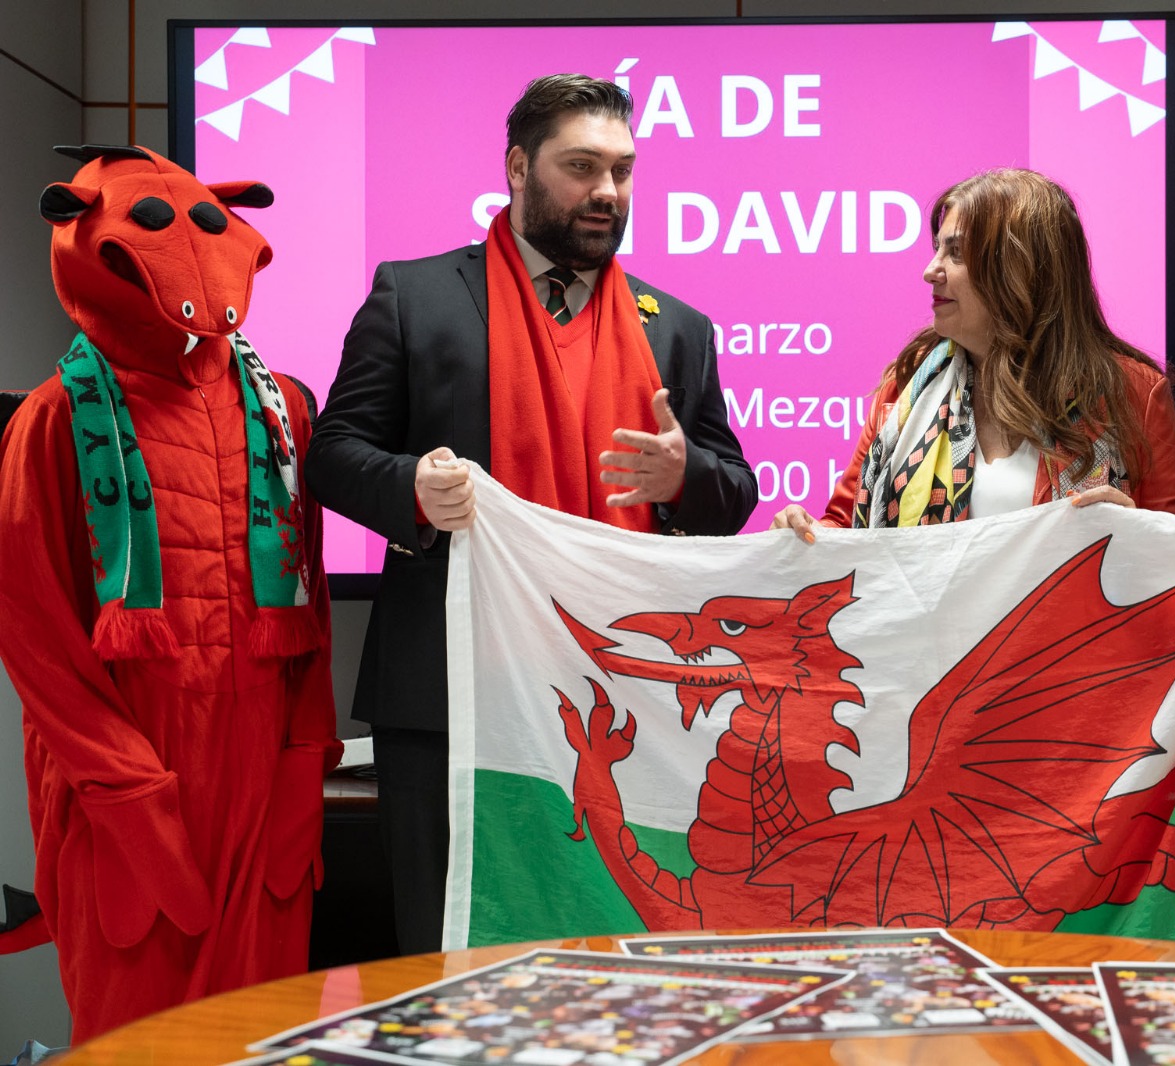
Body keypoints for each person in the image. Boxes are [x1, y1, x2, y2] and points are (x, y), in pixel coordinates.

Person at [305, 74, 757, 953]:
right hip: (449, 696)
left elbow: (732, 491)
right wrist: (410, 488)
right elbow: (334, 453)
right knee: (442, 949)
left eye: (622, 170)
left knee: (615, 950)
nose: (607, 192)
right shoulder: (415, 296)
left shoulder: (678, 327)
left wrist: (684, 477)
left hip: (623, 708)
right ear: (518, 167)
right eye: (581, 166)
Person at [0, 145, 339, 1040]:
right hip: (130, 779)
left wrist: (306, 759)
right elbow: (34, 635)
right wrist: (128, 799)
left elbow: (311, 614)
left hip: (263, 777)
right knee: (135, 1029)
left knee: (264, 1031)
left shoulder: (283, 412)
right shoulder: (54, 418)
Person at [773, 167, 1175, 538]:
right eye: (937, 248)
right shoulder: (905, 390)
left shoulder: (1133, 393)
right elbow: (844, 531)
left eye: (955, 253)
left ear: (1019, 268)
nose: (930, 270)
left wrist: (1141, 532)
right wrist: (802, 532)